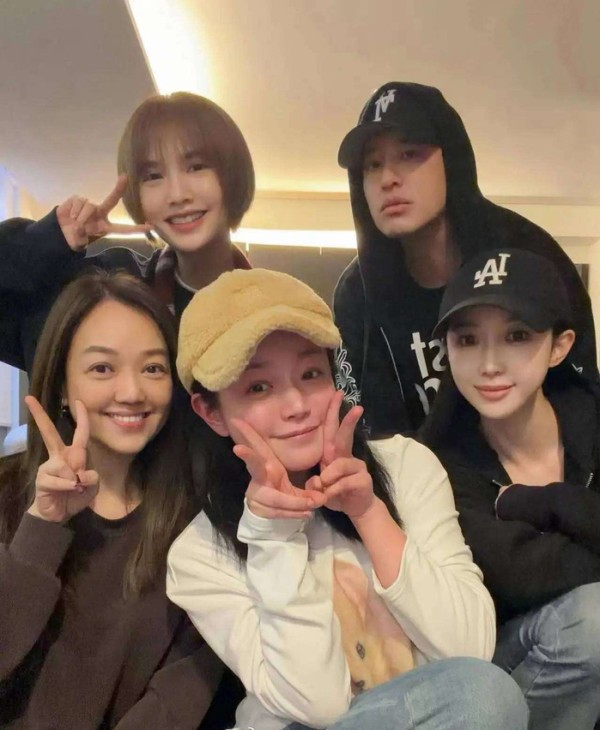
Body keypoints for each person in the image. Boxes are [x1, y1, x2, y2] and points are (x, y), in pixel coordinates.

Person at [166, 267, 528, 730]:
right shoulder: (198, 554)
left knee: (505, 677)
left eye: (311, 373)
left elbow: (470, 650)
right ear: (210, 412)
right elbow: (318, 706)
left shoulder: (405, 466)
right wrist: (273, 538)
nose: (297, 405)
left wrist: (369, 512)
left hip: (445, 711)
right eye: (258, 387)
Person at [0, 271, 225, 728]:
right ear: (62, 385)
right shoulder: (7, 495)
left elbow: (186, 684)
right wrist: (41, 527)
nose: (132, 392)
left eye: (153, 368)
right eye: (102, 368)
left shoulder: (199, 518)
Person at [333, 81, 597, 438]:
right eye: (372, 164)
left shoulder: (529, 254)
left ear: (451, 160)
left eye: (409, 154)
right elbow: (373, 428)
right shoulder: (357, 294)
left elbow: (580, 390)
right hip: (415, 472)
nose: (388, 179)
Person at [420, 248, 600, 729]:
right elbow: (518, 574)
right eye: (467, 339)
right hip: (493, 676)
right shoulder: (435, 463)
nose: (490, 364)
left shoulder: (591, 419)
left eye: (517, 336)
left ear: (559, 346)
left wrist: (543, 501)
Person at [0, 90, 254, 377]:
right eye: (153, 176)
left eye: (196, 167)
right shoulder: (105, 289)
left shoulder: (276, 306)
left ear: (233, 175)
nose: (178, 194)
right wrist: (49, 240)